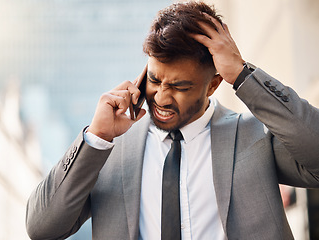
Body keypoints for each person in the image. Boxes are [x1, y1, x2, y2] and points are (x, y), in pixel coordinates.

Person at [26, 1, 319, 239]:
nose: (162, 97)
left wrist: (244, 75)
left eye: (180, 87)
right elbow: (42, 228)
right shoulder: (109, 149)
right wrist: (96, 136)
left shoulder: (253, 136)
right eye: (154, 79)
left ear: (214, 84)